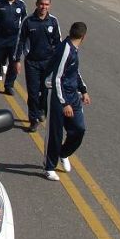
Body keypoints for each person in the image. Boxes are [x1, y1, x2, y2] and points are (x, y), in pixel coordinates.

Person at [44, 22, 91, 181]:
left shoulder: (73, 50)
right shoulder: (65, 50)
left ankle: (63, 153)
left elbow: (74, 72)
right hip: (59, 96)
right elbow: (57, 78)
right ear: (84, 37)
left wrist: (83, 90)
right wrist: (64, 103)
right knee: (55, 133)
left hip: (73, 95)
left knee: (79, 129)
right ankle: (49, 167)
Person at [13, 0, 62, 132]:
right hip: (32, 63)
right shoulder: (28, 21)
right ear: (36, 4)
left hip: (48, 63)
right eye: (41, 4)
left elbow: (58, 43)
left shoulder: (53, 21)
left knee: (45, 91)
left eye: (46, 4)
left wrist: (58, 62)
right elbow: (20, 41)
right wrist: (17, 60)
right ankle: (33, 119)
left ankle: (42, 110)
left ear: (50, 5)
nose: (43, 7)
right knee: (33, 92)